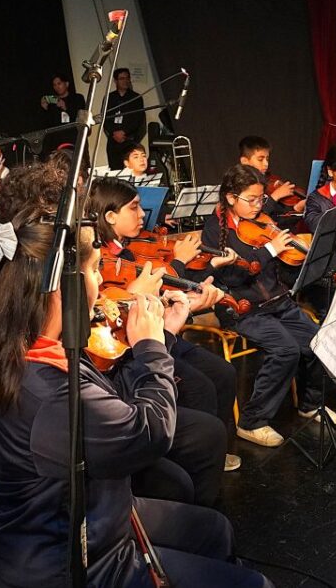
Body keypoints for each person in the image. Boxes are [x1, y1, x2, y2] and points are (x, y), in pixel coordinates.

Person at [0, 210, 272, 588]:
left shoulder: (21, 343)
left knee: (214, 530)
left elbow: (110, 401)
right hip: (72, 561)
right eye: (94, 270)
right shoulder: (47, 391)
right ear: (62, 290)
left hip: (85, 517)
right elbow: (150, 434)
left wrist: (164, 337)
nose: (102, 280)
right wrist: (152, 347)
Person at [89, 176, 243, 476]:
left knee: (223, 373)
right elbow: (114, 316)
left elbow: (157, 296)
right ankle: (191, 456)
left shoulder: (129, 250)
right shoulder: (100, 259)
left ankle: (214, 450)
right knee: (200, 389)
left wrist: (188, 296)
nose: (143, 214)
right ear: (109, 217)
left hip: (159, 331)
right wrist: (179, 265)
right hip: (133, 347)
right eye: (134, 208)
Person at [192, 164, 336, 447]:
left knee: (320, 341)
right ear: (231, 198)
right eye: (252, 200)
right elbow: (232, 276)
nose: (259, 205)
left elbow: (278, 267)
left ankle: (310, 404)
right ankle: (252, 422)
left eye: (261, 198)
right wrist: (270, 250)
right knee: (286, 350)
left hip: (277, 301)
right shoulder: (214, 230)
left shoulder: (261, 219)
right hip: (243, 308)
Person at [238, 135, 305, 225]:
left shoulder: (268, 182)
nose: (266, 164)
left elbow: (278, 222)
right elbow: (254, 220)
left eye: (267, 159)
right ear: (245, 161)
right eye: (260, 159)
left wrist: (296, 209)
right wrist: (275, 196)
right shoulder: (239, 186)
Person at [105, 67, 145, 167]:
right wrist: (114, 132)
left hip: (129, 139)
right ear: (115, 81)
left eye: (127, 78)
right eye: (122, 78)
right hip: (113, 140)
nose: (125, 81)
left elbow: (138, 119)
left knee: (131, 169)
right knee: (115, 169)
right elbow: (105, 119)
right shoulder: (109, 98)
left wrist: (124, 132)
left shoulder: (136, 98)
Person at [40, 73, 87, 156]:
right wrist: (44, 109)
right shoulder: (53, 102)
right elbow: (48, 124)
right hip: (58, 142)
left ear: (67, 84)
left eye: (59, 83)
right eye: (54, 85)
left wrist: (66, 108)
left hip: (75, 139)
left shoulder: (77, 98)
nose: (57, 87)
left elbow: (81, 118)